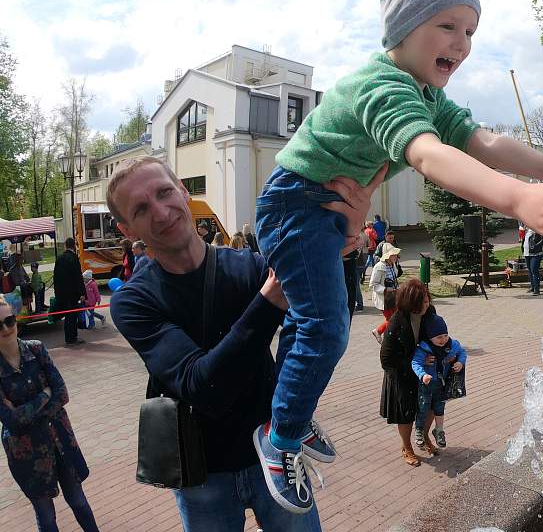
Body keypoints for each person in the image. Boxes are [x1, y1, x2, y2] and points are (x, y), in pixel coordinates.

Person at [251, 0, 543, 510]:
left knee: (309, 323)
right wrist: (517, 200)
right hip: (295, 207)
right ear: (403, 28)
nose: (461, 43)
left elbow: (483, 140)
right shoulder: (383, 85)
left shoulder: (425, 92)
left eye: (471, 31)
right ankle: (279, 439)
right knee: (325, 329)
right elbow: (427, 155)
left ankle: (286, 414)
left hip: (322, 210)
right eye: (447, 25)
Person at [108, 155, 379, 525]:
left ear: (184, 192)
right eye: (141, 208)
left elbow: (318, 326)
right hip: (202, 475)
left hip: (276, 458)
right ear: (127, 229)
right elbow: (203, 387)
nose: (160, 211)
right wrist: (269, 300)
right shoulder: (134, 300)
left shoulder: (249, 265)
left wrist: (332, 245)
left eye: (164, 192)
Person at [0, 295, 101, 532]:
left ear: (16, 321)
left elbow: (62, 393)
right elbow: (11, 420)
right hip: (27, 452)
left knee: (79, 501)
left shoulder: (36, 349)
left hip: (60, 439)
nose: (5, 328)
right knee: (46, 516)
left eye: (10, 321)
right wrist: (45, 395)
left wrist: (28, 409)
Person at [379, 279, 438, 466]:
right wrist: (416, 362)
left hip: (425, 374)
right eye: (420, 302)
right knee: (405, 414)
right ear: (409, 302)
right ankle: (406, 446)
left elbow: (437, 337)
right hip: (401, 374)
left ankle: (425, 437)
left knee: (431, 407)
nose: (425, 305)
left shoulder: (430, 313)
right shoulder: (397, 321)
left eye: (427, 300)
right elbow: (386, 359)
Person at [411, 314, 466, 449]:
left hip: (441, 384)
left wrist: (460, 362)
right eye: (439, 337)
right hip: (426, 384)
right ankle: (418, 430)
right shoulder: (424, 348)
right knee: (423, 407)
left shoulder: (452, 345)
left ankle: (439, 430)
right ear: (430, 337)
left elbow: (462, 352)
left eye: (445, 335)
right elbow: (415, 362)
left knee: (440, 407)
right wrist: (422, 375)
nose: (443, 340)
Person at [53, 238, 85, 346]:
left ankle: (68, 337)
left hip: (62, 293)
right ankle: (72, 337)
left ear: (66, 246)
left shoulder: (59, 258)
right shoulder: (73, 258)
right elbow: (78, 277)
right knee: (72, 316)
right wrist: (82, 293)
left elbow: (55, 277)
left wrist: (57, 293)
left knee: (67, 316)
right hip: (72, 293)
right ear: (74, 246)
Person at [370, 243, 402, 343]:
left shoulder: (393, 265)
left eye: (396, 255)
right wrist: (385, 289)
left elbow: (395, 278)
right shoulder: (379, 267)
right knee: (391, 319)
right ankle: (390, 339)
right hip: (384, 298)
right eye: (394, 255)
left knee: (396, 317)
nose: (396, 257)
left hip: (393, 296)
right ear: (388, 255)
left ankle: (378, 331)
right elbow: (373, 285)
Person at [523, 227, 543, 295]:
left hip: (536, 254)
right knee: (530, 271)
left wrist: (535, 246)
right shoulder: (527, 231)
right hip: (527, 253)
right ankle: (533, 287)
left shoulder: (537, 230)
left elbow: (541, 240)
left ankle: (537, 289)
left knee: (534, 270)